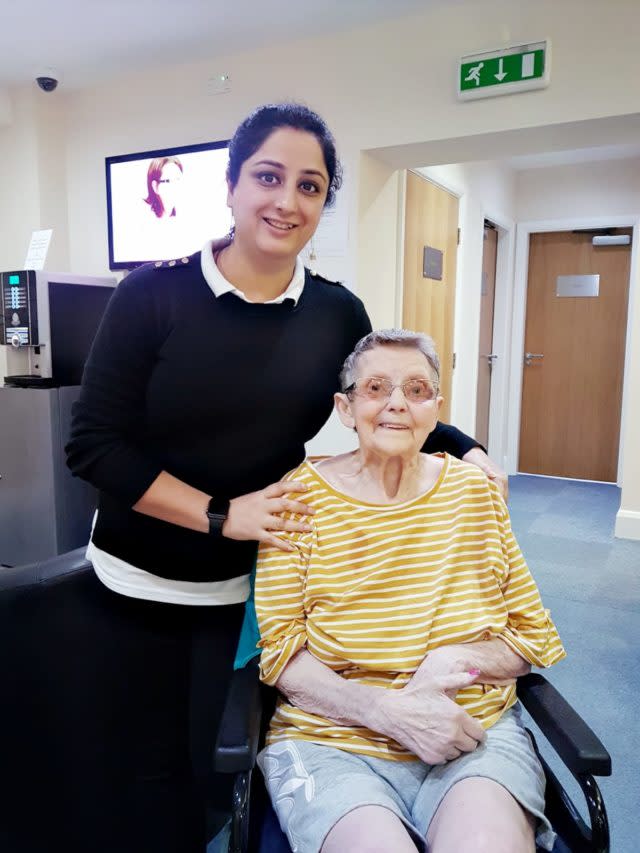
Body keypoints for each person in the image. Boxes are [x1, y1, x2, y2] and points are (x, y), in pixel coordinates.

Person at [66, 104, 505, 851]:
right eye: (268, 177)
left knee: (221, 757)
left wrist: (465, 449)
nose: (286, 200)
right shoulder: (152, 296)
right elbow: (94, 445)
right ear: (232, 187)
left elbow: (379, 397)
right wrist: (217, 513)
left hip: (254, 583)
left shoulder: (333, 312)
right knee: (142, 764)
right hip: (140, 577)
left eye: (310, 186)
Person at [255, 329, 565, 853]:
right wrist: (387, 711)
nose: (397, 403)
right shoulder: (297, 500)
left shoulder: (473, 493)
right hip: (332, 739)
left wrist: (453, 660)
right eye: (376, 388)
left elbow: (531, 641)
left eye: (417, 390)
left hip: (469, 730)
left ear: (436, 409)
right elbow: (282, 656)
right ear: (345, 408)